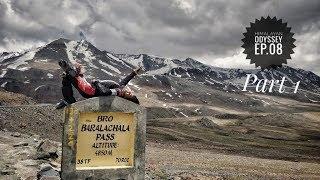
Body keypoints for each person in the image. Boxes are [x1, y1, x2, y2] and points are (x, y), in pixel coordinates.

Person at [56, 60, 142, 109]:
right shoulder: (121, 87)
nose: (130, 92)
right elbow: (125, 81)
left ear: (126, 98)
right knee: (68, 78)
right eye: (131, 92)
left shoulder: (118, 92)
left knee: (74, 76)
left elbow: (104, 92)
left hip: (89, 91)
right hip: (89, 87)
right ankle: (68, 97)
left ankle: (70, 72)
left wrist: (97, 82)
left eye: (130, 95)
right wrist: (133, 73)